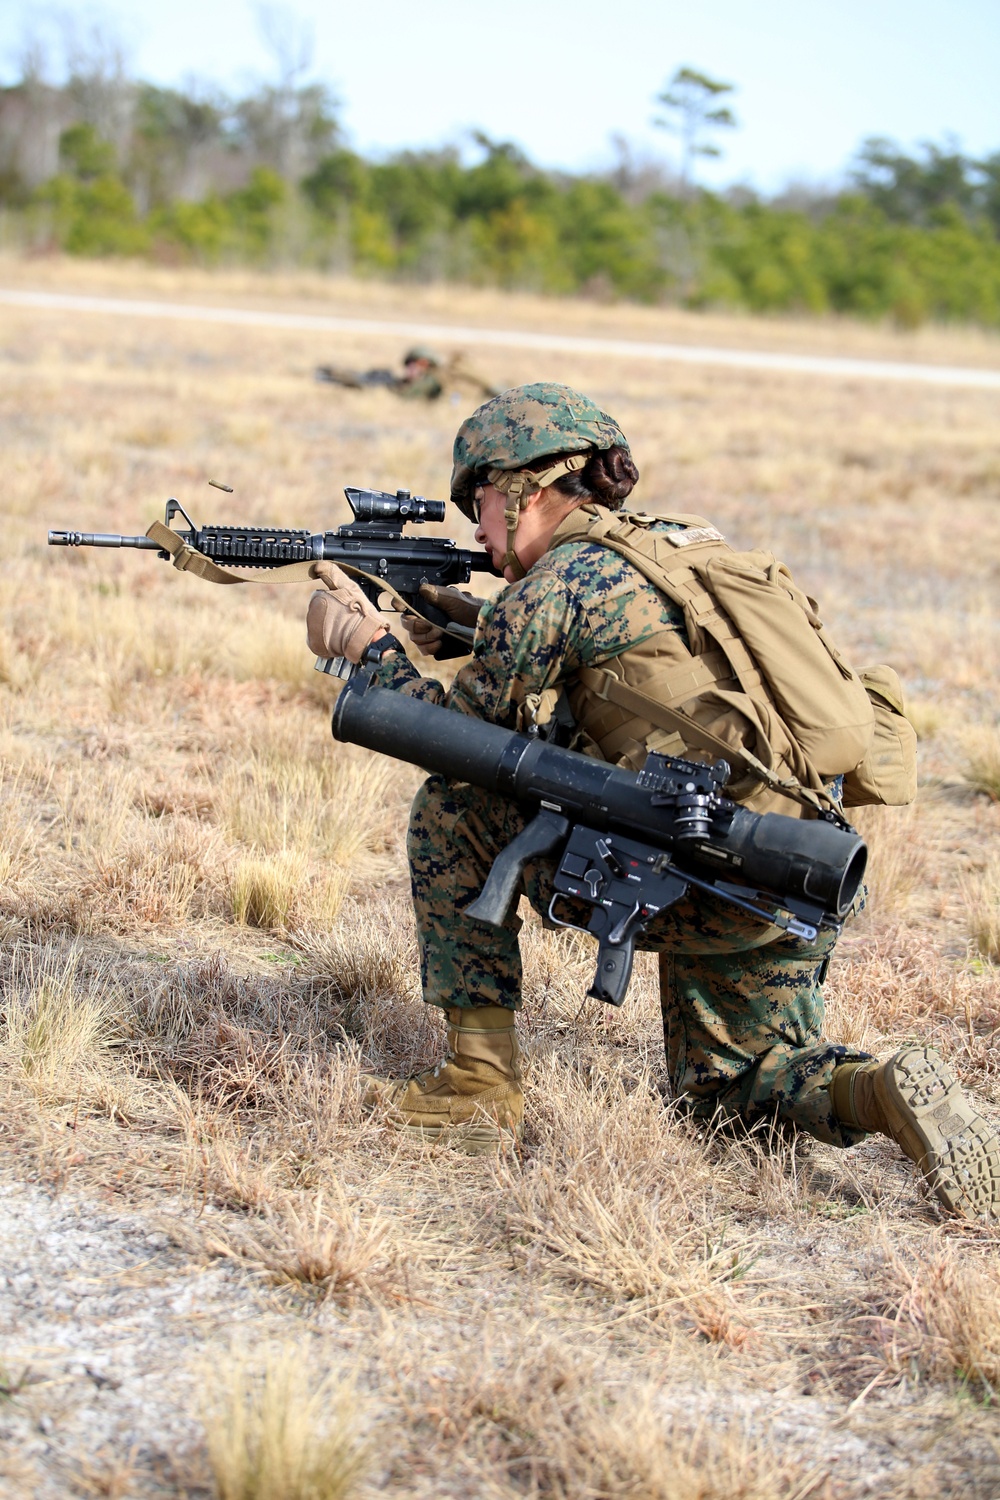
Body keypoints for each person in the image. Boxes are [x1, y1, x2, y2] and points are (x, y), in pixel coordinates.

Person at [306, 382, 1000, 1219]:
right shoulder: (677, 548)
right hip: (790, 866)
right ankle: (878, 1089)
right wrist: (462, 623)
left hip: (689, 869)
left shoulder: (553, 589)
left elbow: (450, 732)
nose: (477, 532)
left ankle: (476, 1091)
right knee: (732, 1097)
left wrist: (368, 647)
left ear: (525, 488)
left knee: (454, 806)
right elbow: (636, 667)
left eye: (480, 504)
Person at [315, 345, 500, 402]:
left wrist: (387, 387)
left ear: (425, 364)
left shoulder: (436, 378)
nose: (410, 370)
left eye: (415, 365)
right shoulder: (435, 375)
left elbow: (409, 394)